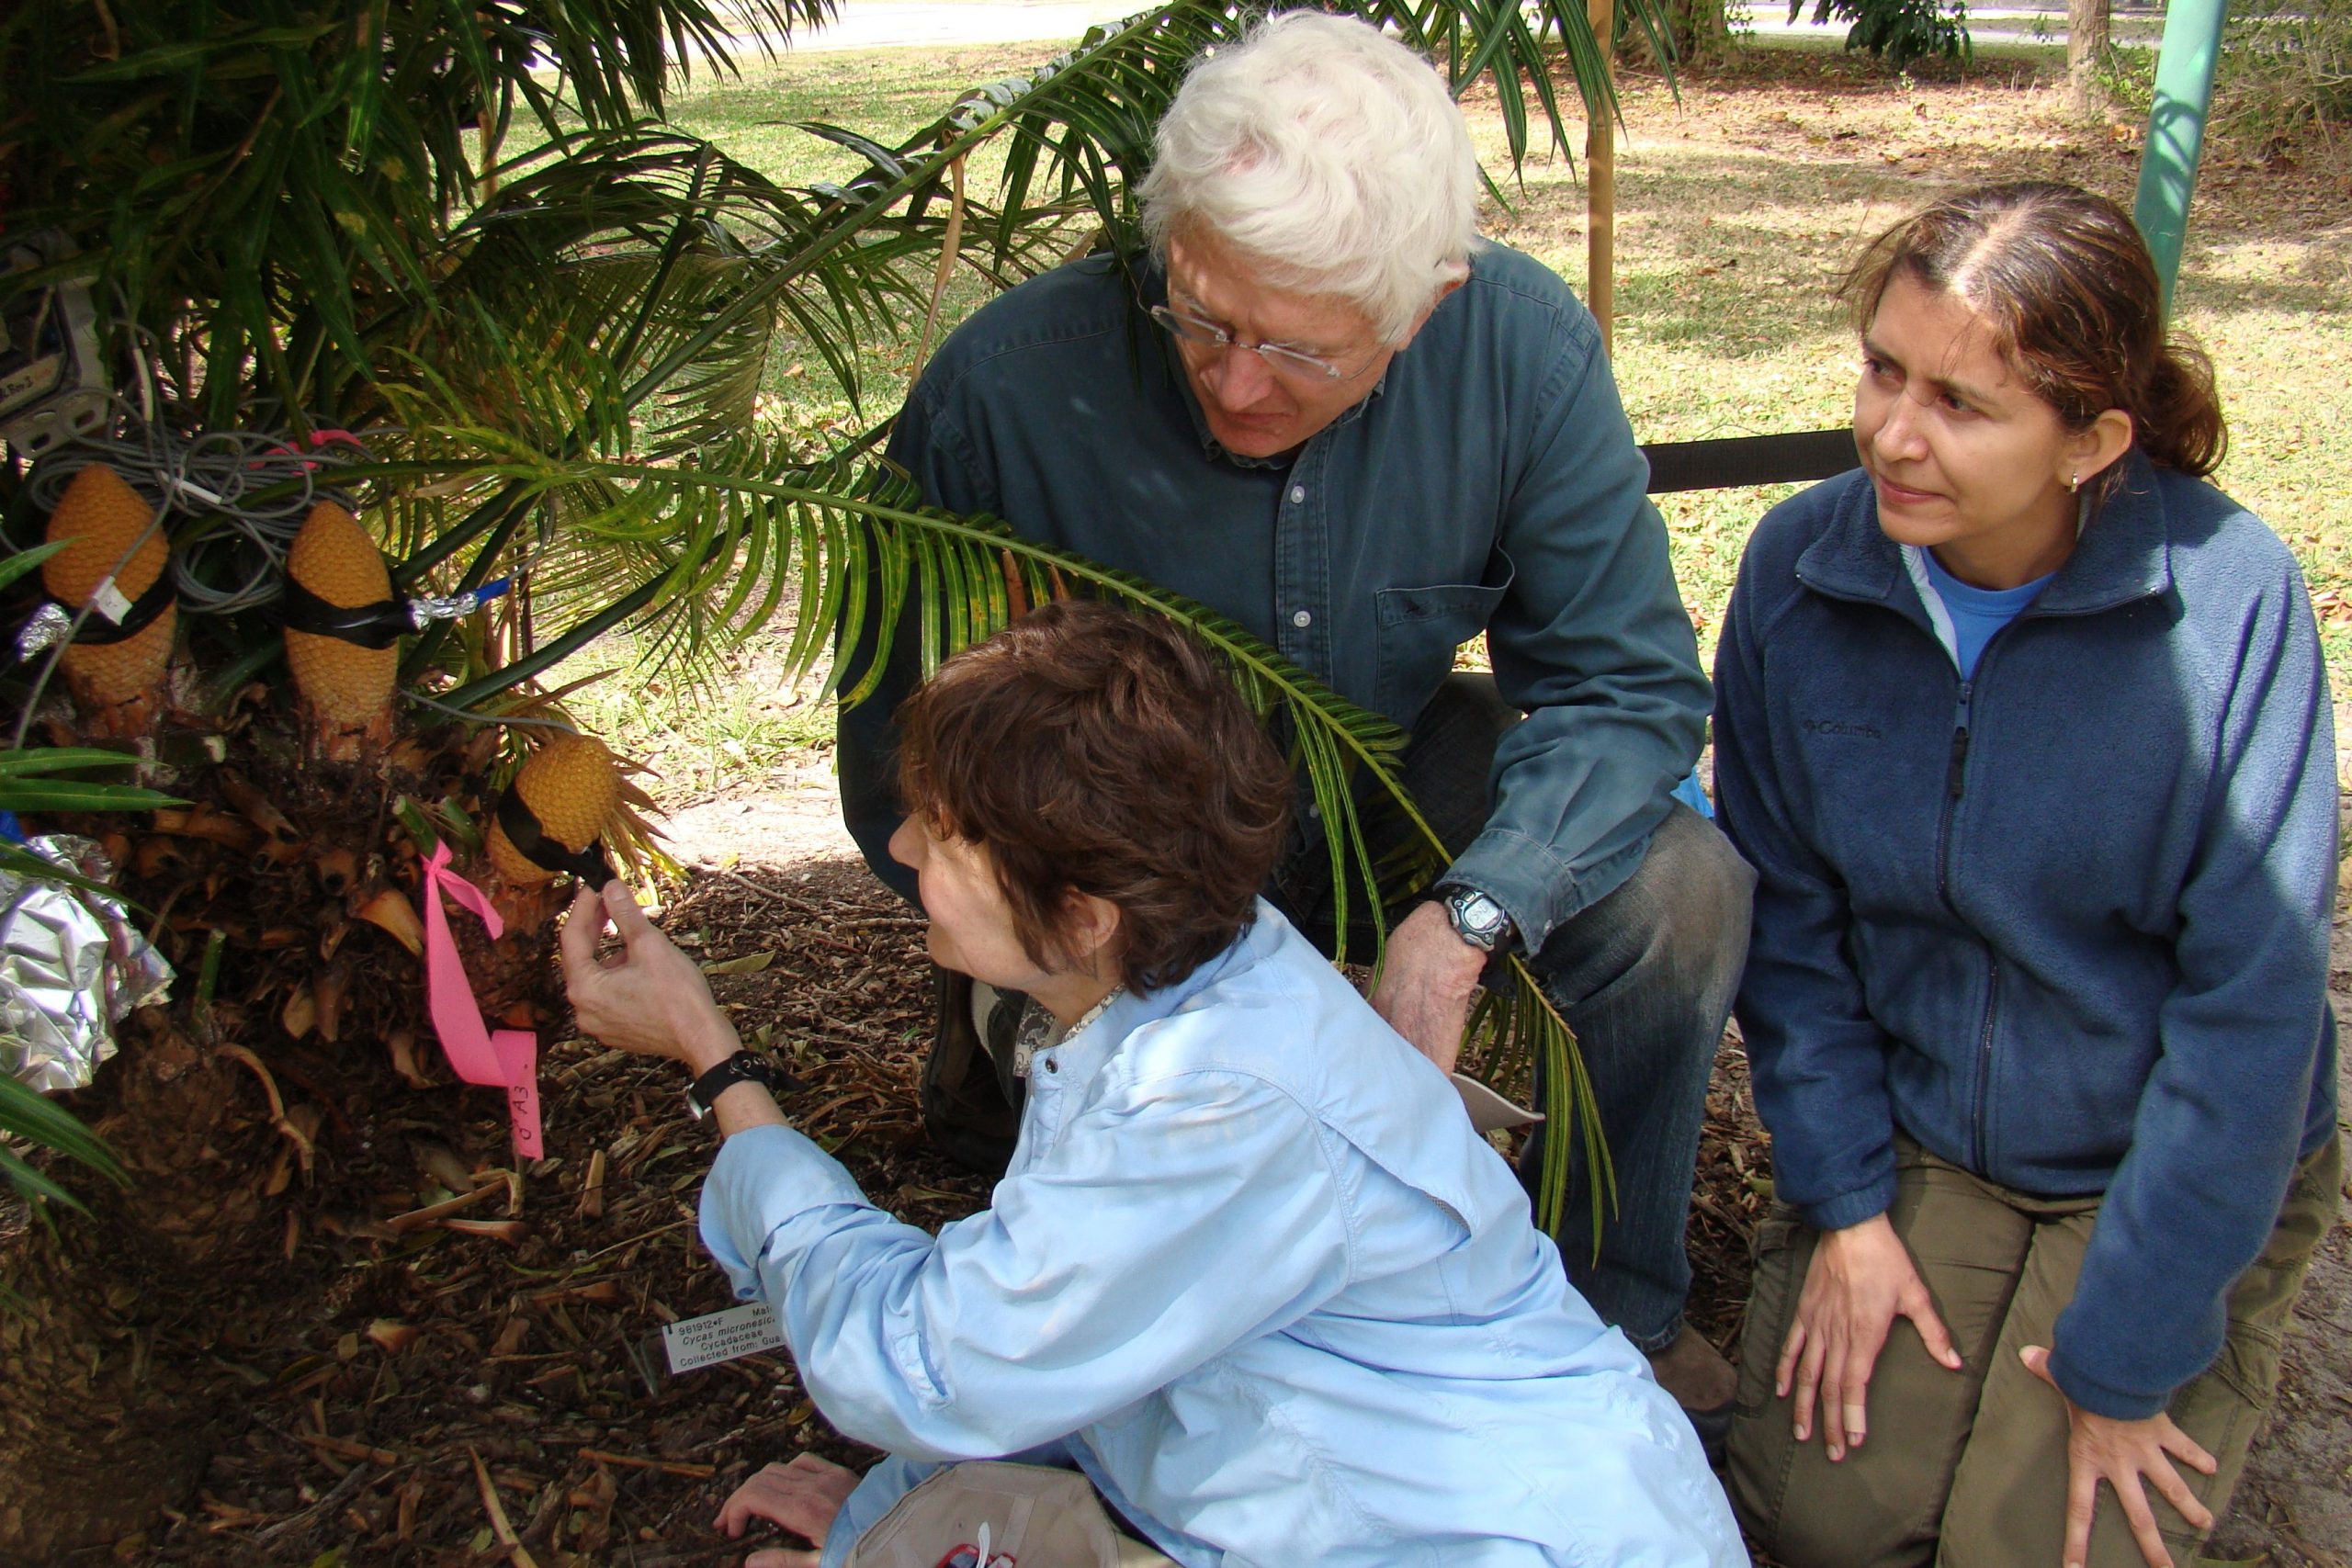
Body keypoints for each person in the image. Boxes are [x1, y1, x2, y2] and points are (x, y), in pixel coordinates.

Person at [836, 8, 1753, 1433]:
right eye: (1200, 317)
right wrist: (1079, 945)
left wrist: (1469, 923)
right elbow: (889, 750)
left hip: (1384, 772)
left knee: (1677, 889)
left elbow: (1625, 685)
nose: (1236, 379)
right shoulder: (1008, 386)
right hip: (1121, 857)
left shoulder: (1519, 353)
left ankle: (1603, 1302)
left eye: (1302, 351)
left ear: (1425, 304)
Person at [565, 602, 1744, 1568]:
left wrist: (714, 1059)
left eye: (939, 831)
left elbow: (929, 1364)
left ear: (1080, 916)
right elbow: (1087, 1315)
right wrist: (914, 1508)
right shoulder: (1185, 985)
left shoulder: (1216, 1103)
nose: (908, 854)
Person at [1711, 180, 2342, 1568]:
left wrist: (2125, 1364)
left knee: (2036, 1542)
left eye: (1961, 401)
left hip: (2155, 1155)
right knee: (1823, 1525)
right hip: (1931, 1133)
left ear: (2094, 439)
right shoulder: (1801, 570)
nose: (1892, 431)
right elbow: (1793, 929)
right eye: (1883, 368)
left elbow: (2252, 1018)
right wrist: (1849, 1203)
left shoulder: (2228, 603)